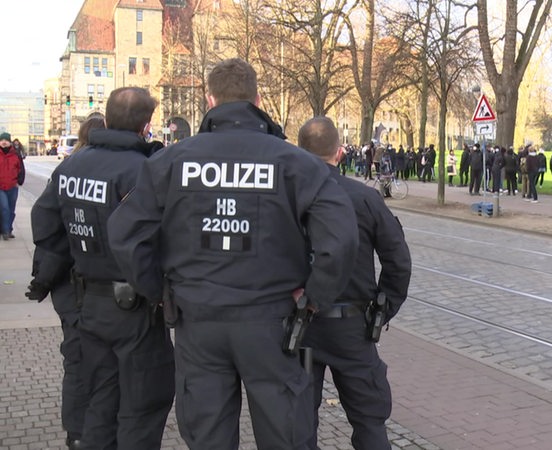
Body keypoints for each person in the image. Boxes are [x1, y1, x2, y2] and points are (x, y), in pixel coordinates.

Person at [107, 58, 359, 450]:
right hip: (271, 322)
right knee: (285, 436)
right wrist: (312, 299)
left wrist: (160, 291)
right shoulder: (296, 163)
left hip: (199, 322)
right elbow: (340, 239)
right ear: (258, 99)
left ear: (211, 99)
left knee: (207, 437)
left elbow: (125, 234)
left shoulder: (171, 162)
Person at [28, 87, 173, 450]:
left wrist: (81, 253)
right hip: (135, 307)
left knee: (100, 401)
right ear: (146, 125)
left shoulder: (72, 165)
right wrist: (157, 291)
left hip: (88, 303)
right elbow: (161, 239)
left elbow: (44, 224)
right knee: (141, 405)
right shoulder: (145, 170)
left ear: (106, 118)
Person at [297, 116, 411, 450]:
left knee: (298, 421)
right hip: (353, 327)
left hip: (301, 324)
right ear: (340, 152)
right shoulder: (365, 198)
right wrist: (383, 309)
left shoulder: (285, 198)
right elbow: (398, 261)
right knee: (369, 419)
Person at [25, 117, 105, 449]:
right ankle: (86, 430)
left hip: (67, 287)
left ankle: (77, 433)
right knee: (93, 362)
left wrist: (44, 278)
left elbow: (47, 229)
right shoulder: (111, 170)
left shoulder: (68, 171)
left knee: (76, 359)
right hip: (90, 285)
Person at [0, 132, 25, 240]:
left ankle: (8, 229)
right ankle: (5, 231)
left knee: (11, 210)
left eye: (5, 140)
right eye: (2, 140)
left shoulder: (16, 155)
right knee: (4, 208)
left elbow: (21, 169)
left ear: (9, 142)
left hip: (12, 186)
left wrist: (19, 181)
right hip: (1, 187)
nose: (4, 142)